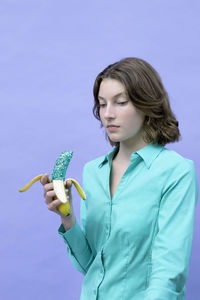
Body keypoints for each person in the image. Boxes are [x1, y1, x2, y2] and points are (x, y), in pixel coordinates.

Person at [40, 57, 199, 300]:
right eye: (102, 105)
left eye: (120, 102)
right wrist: (67, 217)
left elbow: (169, 273)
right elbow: (92, 268)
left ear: (146, 104)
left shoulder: (176, 172)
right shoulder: (93, 172)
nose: (108, 114)